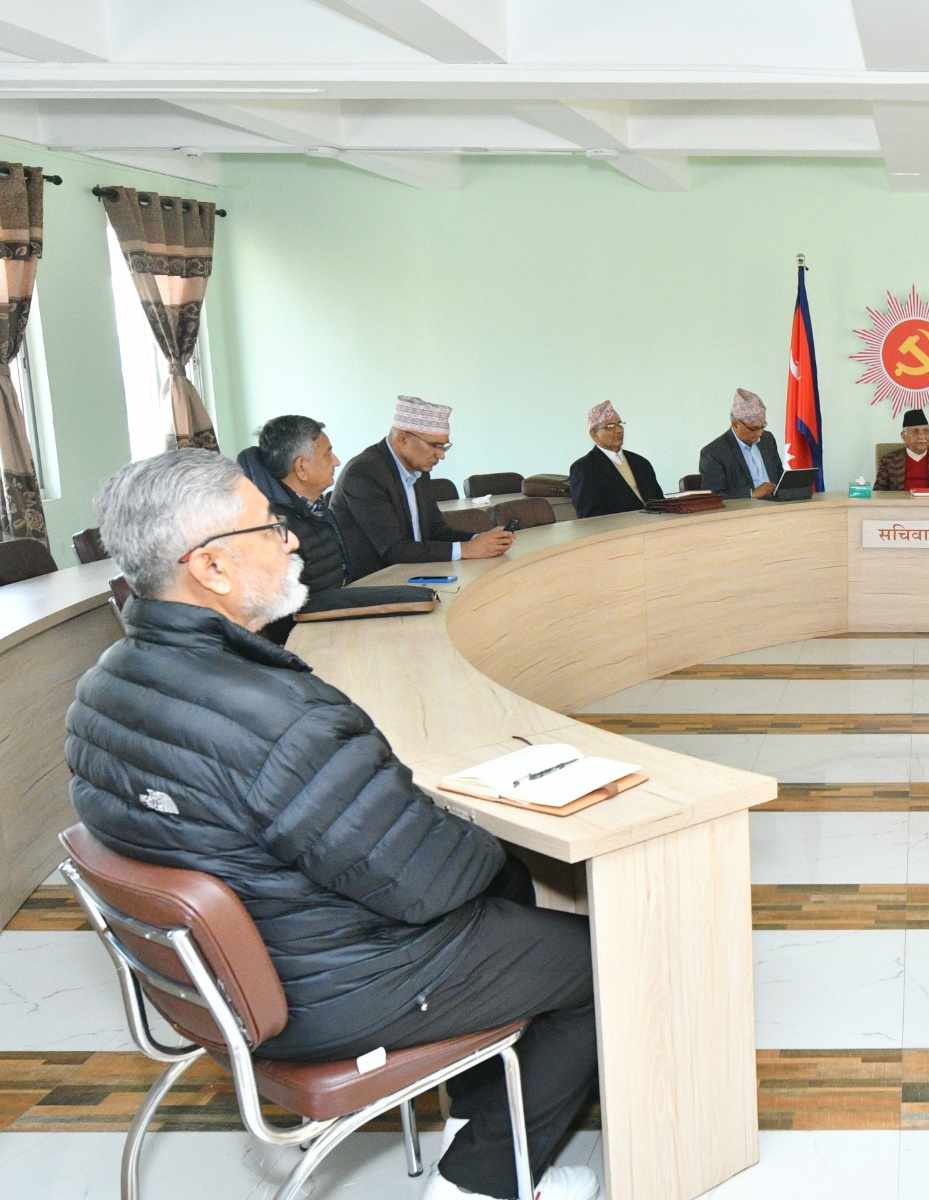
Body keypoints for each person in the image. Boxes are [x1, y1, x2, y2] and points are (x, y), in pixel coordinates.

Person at [65, 450, 599, 1200]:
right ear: (210, 567)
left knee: (503, 886)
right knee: (601, 962)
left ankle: (475, 1111)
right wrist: (483, 828)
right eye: (269, 527)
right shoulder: (279, 715)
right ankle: (482, 1184)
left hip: (219, 977)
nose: (291, 539)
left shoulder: (100, 685)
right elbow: (427, 882)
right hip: (329, 988)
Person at [332, 396, 514, 581]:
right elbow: (393, 549)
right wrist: (467, 549)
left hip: (414, 572)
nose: (441, 455)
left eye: (444, 447)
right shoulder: (364, 473)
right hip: (373, 583)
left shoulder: (419, 469)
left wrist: (479, 540)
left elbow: (436, 532)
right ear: (403, 439)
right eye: (435, 445)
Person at [235, 415, 349, 646]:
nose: (336, 461)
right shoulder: (272, 527)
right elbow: (283, 619)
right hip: (304, 644)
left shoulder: (314, 506)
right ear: (301, 467)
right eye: (327, 454)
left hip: (334, 627)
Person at [568, 400, 664, 517]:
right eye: (610, 426)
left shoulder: (641, 463)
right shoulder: (583, 468)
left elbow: (660, 502)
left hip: (657, 524)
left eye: (619, 424)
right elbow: (588, 516)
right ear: (594, 434)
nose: (619, 430)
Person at [698, 387, 784, 499]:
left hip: (779, 506)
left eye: (762, 426)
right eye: (753, 428)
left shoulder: (768, 439)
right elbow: (714, 496)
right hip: (745, 509)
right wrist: (751, 494)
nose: (759, 433)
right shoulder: (713, 453)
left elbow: (780, 477)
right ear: (735, 424)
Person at [874, 408, 929, 491]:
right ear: (904, 436)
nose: (922, 436)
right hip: (900, 500)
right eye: (915, 432)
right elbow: (878, 494)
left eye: (926, 431)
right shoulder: (888, 461)